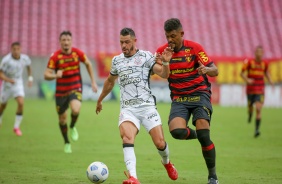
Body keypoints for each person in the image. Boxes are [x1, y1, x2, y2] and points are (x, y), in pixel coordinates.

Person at [96, 28, 178, 184]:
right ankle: (133, 177)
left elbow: (164, 74)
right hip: (128, 109)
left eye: (127, 42)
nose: (124, 45)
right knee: (127, 138)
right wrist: (100, 99)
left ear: (134, 41)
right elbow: (110, 82)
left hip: (147, 107)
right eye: (121, 42)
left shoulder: (146, 57)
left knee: (160, 143)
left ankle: (167, 163)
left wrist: (166, 62)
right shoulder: (116, 61)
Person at [155, 18, 219, 184]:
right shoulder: (161, 52)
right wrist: (166, 62)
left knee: (205, 133)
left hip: (199, 95)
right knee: (176, 132)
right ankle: (200, 135)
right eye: (167, 36)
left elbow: (215, 70)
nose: (170, 40)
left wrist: (206, 69)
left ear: (182, 34)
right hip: (179, 98)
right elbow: (160, 73)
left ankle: (212, 176)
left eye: (173, 36)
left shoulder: (195, 48)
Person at [44, 31, 98, 153]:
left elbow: (88, 64)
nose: (66, 42)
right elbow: (46, 75)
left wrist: (93, 82)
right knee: (62, 119)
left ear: (71, 41)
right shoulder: (55, 57)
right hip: (61, 91)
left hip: (75, 86)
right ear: (60, 42)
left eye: (68, 40)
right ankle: (67, 142)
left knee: (75, 109)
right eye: (64, 40)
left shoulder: (77, 53)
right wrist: (55, 76)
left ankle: (72, 126)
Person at [0, 42, 33, 136]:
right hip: (7, 84)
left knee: (21, 103)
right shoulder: (6, 60)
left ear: (20, 49)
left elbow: (29, 67)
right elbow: (0, 73)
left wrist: (30, 78)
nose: (16, 51)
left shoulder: (24, 58)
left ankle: (16, 127)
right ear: (11, 49)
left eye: (18, 49)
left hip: (18, 83)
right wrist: (8, 80)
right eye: (14, 49)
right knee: (3, 105)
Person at [240, 45, 273, 138]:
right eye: (257, 52)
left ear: (262, 53)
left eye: (261, 52)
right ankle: (250, 114)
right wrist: (247, 80)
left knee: (258, 108)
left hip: (260, 89)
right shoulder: (249, 62)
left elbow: (266, 72)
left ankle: (257, 130)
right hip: (250, 89)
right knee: (250, 108)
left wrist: (270, 81)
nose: (259, 54)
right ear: (255, 53)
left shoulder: (265, 64)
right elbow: (241, 73)